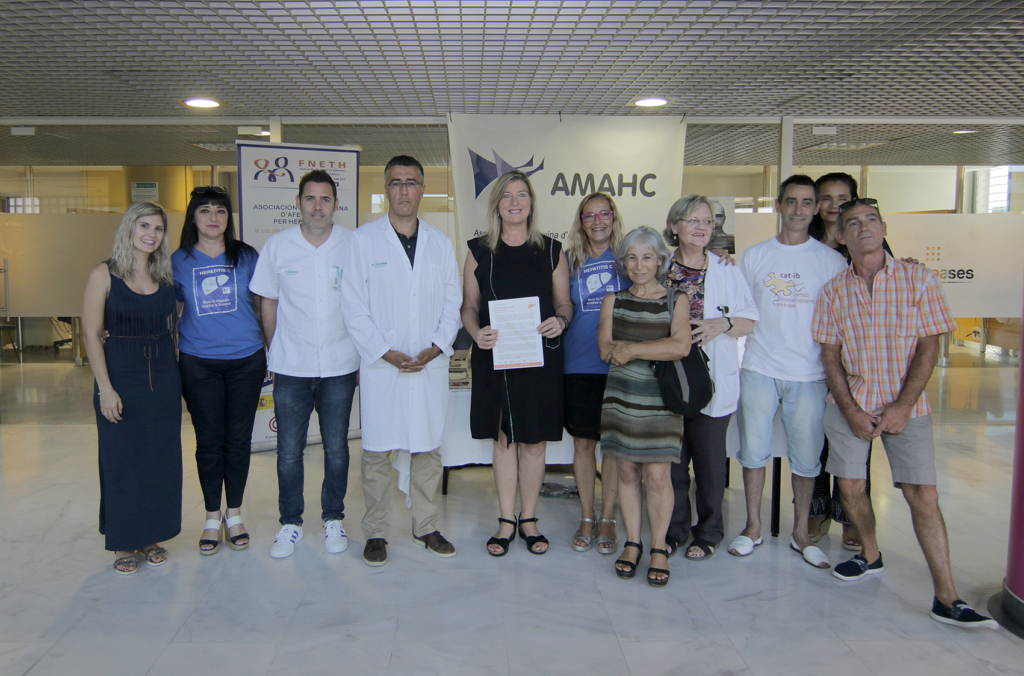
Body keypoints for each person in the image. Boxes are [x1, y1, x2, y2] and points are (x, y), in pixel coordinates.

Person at [814, 198, 997, 629]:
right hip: (852, 400)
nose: (864, 228)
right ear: (840, 236)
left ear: (883, 227)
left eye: (871, 220)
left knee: (923, 495)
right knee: (851, 486)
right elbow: (830, 355)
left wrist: (902, 405)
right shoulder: (834, 291)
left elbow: (930, 346)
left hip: (908, 405)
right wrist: (850, 410)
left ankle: (947, 596)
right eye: (853, 223)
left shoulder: (919, 279)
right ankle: (870, 554)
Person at [341, 156, 463, 566]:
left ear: (422, 188)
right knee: (377, 451)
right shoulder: (363, 241)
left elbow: (453, 302)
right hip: (383, 366)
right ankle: (376, 532)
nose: (404, 190)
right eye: (396, 182)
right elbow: (353, 306)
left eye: (411, 182)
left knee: (428, 448)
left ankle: (426, 526)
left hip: (428, 364)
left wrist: (436, 346)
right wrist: (384, 351)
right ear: (386, 190)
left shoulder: (439, 242)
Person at [727, 175, 847, 569]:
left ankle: (800, 533)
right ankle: (752, 528)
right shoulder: (755, 256)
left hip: (810, 374)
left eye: (807, 202)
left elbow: (840, 321)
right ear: (778, 205)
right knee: (753, 452)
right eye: (791, 201)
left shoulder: (831, 261)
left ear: (816, 208)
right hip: (759, 367)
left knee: (806, 459)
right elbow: (741, 311)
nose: (799, 210)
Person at [461, 170, 573, 556]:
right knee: (504, 439)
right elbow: (469, 307)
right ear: (497, 205)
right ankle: (506, 520)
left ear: (531, 203)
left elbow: (564, 303)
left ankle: (529, 518)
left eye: (522, 194)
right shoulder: (479, 251)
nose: (514, 202)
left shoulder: (552, 250)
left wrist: (560, 322)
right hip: (495, 357)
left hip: (539, 358)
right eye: (507, 195)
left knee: (535, 441)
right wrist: (476, 332)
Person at [249, 170, 359, 559]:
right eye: (310, 199)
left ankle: (333, 517)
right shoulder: (278, 246)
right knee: (289, 452)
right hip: (291, 368)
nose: (317, 207)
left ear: (336, 204)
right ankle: (290, 523)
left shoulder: (352, 244)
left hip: (340, 365)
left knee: (337, 449)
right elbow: (268, 302)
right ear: (298, 202)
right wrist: (275, 350)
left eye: (325, 199)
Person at [82, 201, 182, 574]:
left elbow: (177, 322)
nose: (151, 234)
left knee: (159, 461)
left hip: (163, 381)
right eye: (144, 226)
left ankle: (151, 535)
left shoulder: (165, 276)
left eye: (158, 228)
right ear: (129, 228)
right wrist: (105, 389)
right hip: (120, 379)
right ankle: (124, 541)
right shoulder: (104, 274)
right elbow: (91, 333)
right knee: (122, 462)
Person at [662, 196, 758, 560]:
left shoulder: (726, 268)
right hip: (670, 377)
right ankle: (675, 530)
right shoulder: (659, 267)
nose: (701, 227)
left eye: (707, 221)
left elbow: (749, 321)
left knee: (710, 467)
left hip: (712, 378)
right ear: (674, 226)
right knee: (672, 466)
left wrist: (723, 324)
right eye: (692, 220)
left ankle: (709, 532)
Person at [173, 186, 265, 555]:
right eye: (205, 211)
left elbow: (263, 305)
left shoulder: (247, 256)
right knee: (209, 442)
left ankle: (235, 514)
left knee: (238, 441)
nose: (214, 217)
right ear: (193, 218)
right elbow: (166, 309)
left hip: (246, 360)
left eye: (221, 211)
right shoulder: (177, 260)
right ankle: (213, 517)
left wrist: (273, 348)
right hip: (198, 363)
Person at [599, 226, 692, 586]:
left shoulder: (675, 300)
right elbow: (606, 350)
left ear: (660, 260)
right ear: (623, 262)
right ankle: (633, 542)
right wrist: (654, 347)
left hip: (661, 401)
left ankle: (658, 548)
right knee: (626, 473)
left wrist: (633, 349)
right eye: (632, 258)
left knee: (657, 477)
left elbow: (680, 346)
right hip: (621, 398)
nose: (639, 265)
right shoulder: (613, 300)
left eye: (647, 257)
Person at [562, 192, 630, 555]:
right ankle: (587, 516)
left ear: (614, 218)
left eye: (604, 214)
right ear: (581, 222)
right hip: (579, 364)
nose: (597, 221)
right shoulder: (568, 260)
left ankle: (608, 518)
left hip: (621, 364)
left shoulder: (628, 257)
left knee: (614, 448)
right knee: (584, 444)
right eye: (589, 216)